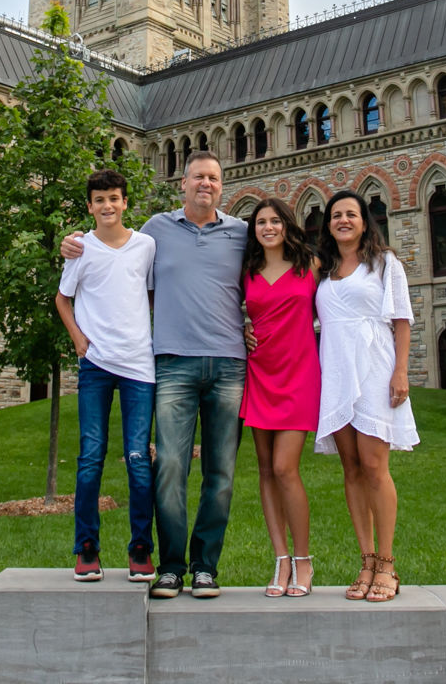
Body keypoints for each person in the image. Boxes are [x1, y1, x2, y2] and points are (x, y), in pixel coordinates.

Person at [61, 148, 246, 599]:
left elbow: (275, 272)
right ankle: (168, 565)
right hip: (170, 365)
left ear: (222, 185)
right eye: (198, 177)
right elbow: (109, 260)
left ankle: (204, 567)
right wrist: (71, 243)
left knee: (219, 475)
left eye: (214, 178)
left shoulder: (241, 232)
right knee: (168, 470)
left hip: (226, 365)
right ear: (181, 183)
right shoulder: (156, 231)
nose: (206, 184)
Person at [313, 189, 417, 603]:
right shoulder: (322, 268)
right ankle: (366, 560)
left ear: (364, 220)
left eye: (350, 214)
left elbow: (402, 317)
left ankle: (388, 565)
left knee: (375, 467)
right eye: (336, 215)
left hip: (375, 367)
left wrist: (401, 371)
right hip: (336, 372)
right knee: (351, 469)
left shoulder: (385, 263)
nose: (343, 220)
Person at [54, 168, 158, 583]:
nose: (108, 206)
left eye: (114, 198)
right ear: (90, 206)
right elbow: (63, 299)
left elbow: (151, 294)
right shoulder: (81, 248)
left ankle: (139, 549)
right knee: (90, 459)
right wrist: (79, 339)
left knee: (138, 460)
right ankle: (86, 549)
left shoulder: (146, 246)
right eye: (100, 200)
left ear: (125, 202)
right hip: (95, 366)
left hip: (138, 366)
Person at [239, 197, 320, 598]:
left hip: (300, 375)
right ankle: (280, 559)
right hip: (260, 373)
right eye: (260, 222)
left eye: (274, 221)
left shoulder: (311, 266)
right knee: (266, 470)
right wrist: (241, 327)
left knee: (286, 468)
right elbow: (228, 309)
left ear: (287, 225)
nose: (267, 228)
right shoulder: (247, 271)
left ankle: (303, 560)